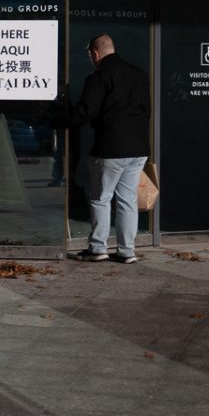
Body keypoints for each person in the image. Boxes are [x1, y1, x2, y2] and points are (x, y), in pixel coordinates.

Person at [63, 33, 150, 263]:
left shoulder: (99, 76)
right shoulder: (139, 74)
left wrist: (63, 119)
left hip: (110, 147)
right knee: (127, 199)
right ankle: (126, 251)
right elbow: (146, 110)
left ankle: (98, 248)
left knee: (100, 198)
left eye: (91, 56)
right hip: (138, 147)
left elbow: (86, 111)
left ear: (95, 53)